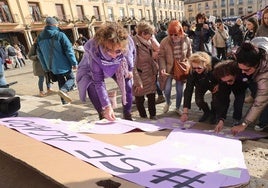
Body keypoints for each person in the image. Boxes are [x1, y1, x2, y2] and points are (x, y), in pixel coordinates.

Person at [76, 23, 135, 121]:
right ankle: (103, 114)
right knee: (91, 86)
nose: (113, 55)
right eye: (109, 49)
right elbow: (99, 82)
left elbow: (132, 55)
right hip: (92, 69)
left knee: (128, 85)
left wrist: (130, 69)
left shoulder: (128, 44)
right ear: (103, 45)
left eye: (117, 51)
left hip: (119, 65)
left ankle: (127, 115)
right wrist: (107, 106)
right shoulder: (94, 51)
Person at [231, 37, 268, 135]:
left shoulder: (264, 74)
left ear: (256, 65)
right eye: (241, 69)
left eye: (246, 70)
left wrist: (244, 124)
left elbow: (261, 101)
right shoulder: (252, 48)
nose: (243, 72)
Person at [37, 17, 78, 105]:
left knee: (61, 81)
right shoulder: (60, 35)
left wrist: (46, 67)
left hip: (51, 66)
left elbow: (40, 55)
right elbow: (69, 50)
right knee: (71, 79)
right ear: (55, 24)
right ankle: (63, 90)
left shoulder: (39, 37)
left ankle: (64, 101)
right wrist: (74, 63)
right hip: (63, 64)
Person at [158, 20, 192, 115]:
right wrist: (162, 67)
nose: (173, 37)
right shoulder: (165, 41)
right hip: (169, 69)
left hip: (180, 69)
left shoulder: (187, 39)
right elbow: (161, 56)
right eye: (171, 34)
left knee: (179, 90)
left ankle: (177, 107)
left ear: (180, 32)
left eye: (175, 34)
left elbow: (190, 53)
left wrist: (188, 64)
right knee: (167, 89)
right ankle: (168, 102)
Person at [180, 52, 218, 123]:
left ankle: (214, 114)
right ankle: (207, 112)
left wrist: (219, 84)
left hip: (214, 82)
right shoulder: (192, 72)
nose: (196, 70)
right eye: (194, 68)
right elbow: (188, 89)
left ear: (205, 64)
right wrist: (185, 113)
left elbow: (225, 74)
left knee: (216, 100)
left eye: (199, 68)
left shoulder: (215, 62)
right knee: (198, 101)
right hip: (200, 83)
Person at [212, 60, 248, 133]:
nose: (228, 83)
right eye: (225, 81)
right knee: (221, 99)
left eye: (230, 80)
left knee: (239, 103)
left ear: (235, 74)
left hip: (240, 87)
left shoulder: (244, 74)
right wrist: (221, 119)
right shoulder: (224, 82)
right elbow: (224, 100)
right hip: (230, 85)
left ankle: (236, 119)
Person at [132, 22, 158, 120]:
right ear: (143, 33)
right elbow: (132, 64)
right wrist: (137, 81)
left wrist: (154, 41)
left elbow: (159, 50)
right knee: (140, 98)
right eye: (150, 34)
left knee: (151, 96)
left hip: (150, 74)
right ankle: (143, 117)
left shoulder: (150, 41)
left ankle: (153, 115)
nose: (152, 36)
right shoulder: (133, 43)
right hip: (140, 75)